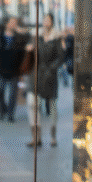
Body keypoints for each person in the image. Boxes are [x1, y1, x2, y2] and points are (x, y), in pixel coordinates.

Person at [28, 12, 62, 147]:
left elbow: (60, 56)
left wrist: (51, 69)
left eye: (48, 20)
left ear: (52, 22)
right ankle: (36, 137)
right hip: (35, 74)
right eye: (44, 20)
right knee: (33, 105)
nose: (45, 22)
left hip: (50, 75)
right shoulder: (35, 35)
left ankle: (53, 136)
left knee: (52, 107)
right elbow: (31, 53)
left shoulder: (57, 36)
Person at [0, 17, 28, 122]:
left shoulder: (18, 37)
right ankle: (2, 111)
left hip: (15, 69)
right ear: (6, 24)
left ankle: (10, 114)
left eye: (15, 23)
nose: (13, 24)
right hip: (1, 68)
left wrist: (21, 32)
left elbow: (28, 40)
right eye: (11, 22)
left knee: (12, 94)